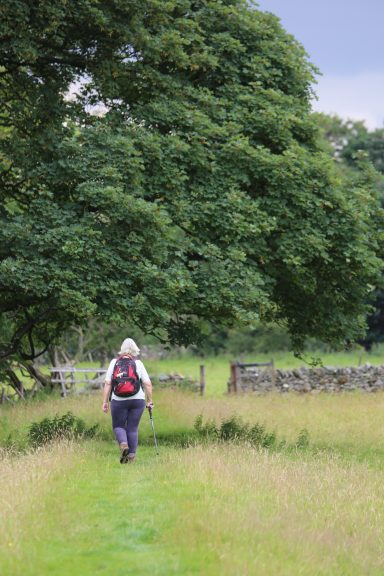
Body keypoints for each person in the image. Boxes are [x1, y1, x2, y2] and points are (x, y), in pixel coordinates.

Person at [102, 338, 153, 463]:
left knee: (118, 426)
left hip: (118, 400)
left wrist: (105, 402)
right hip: (137, 400)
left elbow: (108, 383)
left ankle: (124, 445)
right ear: (135, 349)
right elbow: (147, 383)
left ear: (122, 349)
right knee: (132, 428)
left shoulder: (114, 362)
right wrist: (150, 400)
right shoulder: (138, 363)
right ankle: (131, 457)